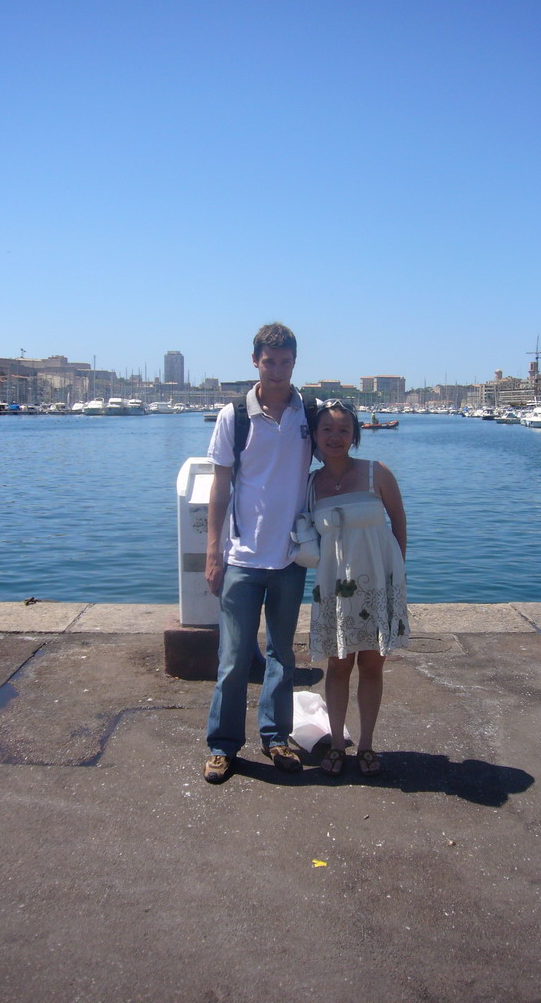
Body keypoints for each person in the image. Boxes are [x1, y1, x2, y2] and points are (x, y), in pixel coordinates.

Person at [202, 323, 314, 784]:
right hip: (243, 560)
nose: (277, 370)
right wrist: (213, 550)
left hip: (289, 559)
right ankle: (222, 746)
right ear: (255, 362)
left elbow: (338, 451)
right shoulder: (236, 415)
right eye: (270, 362)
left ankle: (275, 737)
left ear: (294, 362)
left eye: (285, 362)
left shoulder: (308, 413)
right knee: (232, 660)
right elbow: (220, 484)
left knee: (282, 656)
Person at [308, 399, 409, 777]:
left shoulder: (376, 473)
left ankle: (366, 744)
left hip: (379, 583)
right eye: (327, 430)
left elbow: (399, 523)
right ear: (315, 436)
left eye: (343, 430)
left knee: (371, 665)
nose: (335, 437)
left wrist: (396, 576)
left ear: (355, 436)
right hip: (334, 587)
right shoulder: (310, 484)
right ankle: (337, 743)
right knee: (337, 666)